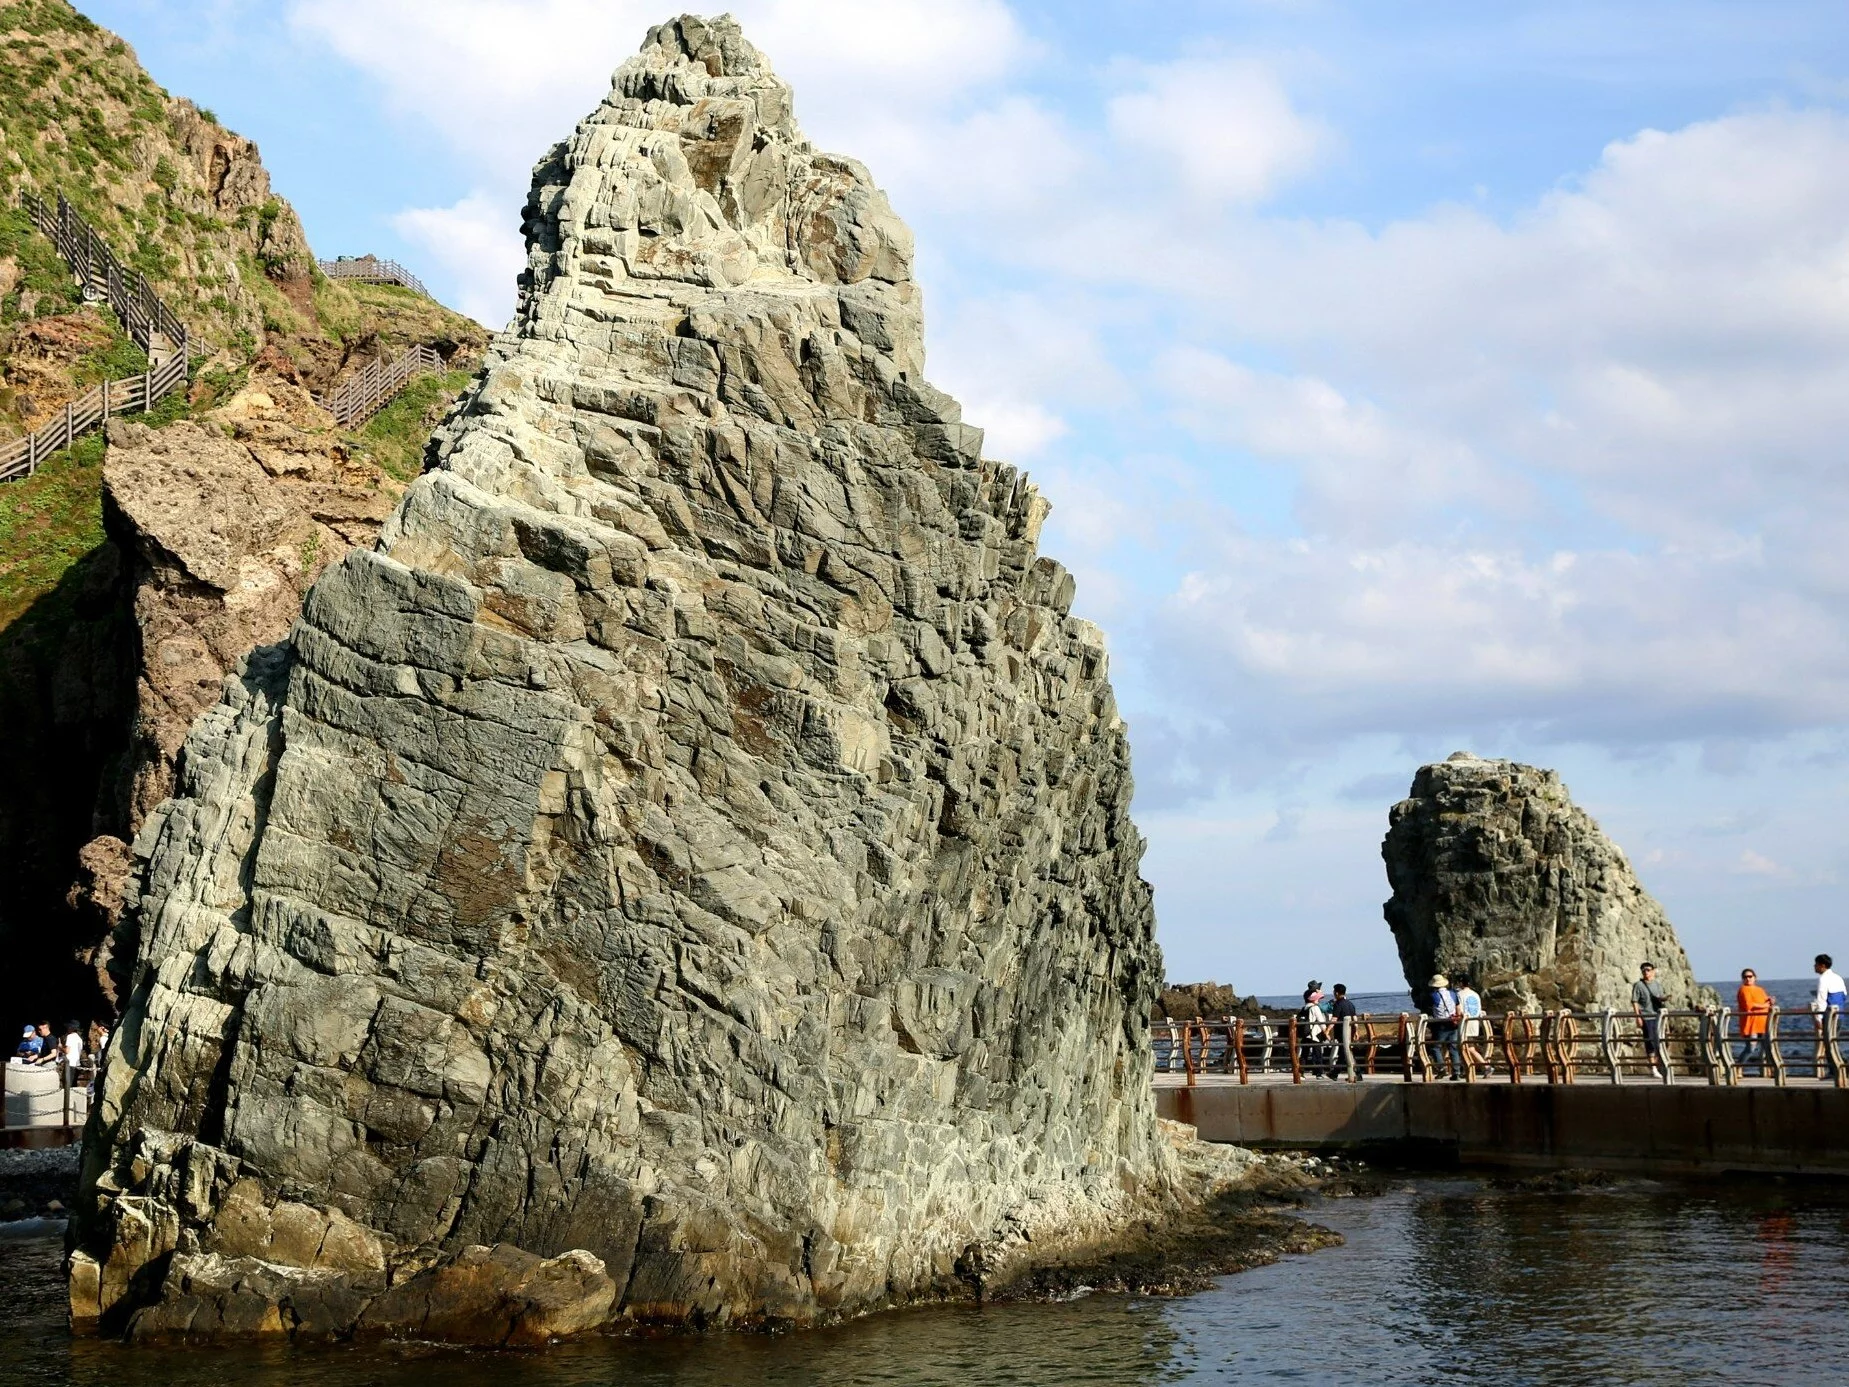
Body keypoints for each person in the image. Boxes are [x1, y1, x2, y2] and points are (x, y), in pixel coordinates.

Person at [1633, 962, 1668, 1078]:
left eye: (1648, 970)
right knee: (1650, 1042)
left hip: (1657, 1016)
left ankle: (1658, 1066)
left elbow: (1661, 999)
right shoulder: (1638, 985)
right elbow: (1635, 1002)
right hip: (1646, 1017)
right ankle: (1653, 1068)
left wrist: (1663, 999)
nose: (1645, 972)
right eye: (1643, 970)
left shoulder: (1657, 984)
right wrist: (1638, 1017)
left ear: (1653, 971)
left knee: (1659, 1042)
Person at [1735, 968, 1772, 1077]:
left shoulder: (1760, 990)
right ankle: (1738, 1068)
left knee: (1767, 1047)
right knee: (1751, 1047)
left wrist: (1770, 1001)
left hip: (1763, 1022)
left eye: (1750, 976)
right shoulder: (1743, 990)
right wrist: (1765, 1006)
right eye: (1745, 977)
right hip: (1751, 1024)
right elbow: (1749, 1005)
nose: (1748, 979)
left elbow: (1766, 1001)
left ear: (1755, 977)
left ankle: (1771, 1070)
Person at [1814, 954, 1847, 1077]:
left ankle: (1837, 1070)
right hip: (1840, 1014)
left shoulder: (1823, 979)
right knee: (1834, 1042)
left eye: (1816, 964)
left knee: (1829, 1044)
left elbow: (1821, 1000)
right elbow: (1844, 996)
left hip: (1829, 1016)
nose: (1814, 967)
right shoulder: (1838, 978)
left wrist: (1818, 1018)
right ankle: (1841, 1067)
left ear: (1822, 965)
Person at [1427, 974, 1461, 1079]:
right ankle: (1456, 1072)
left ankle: (1442, 1069)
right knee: (1453, 1047)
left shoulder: (1433, 996)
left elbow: (1429, 1008)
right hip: (1453, 1022)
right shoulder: (1453, 994)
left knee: (1435, 1047)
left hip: (1441, 1023)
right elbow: (1458, 1007)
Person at [1454, 974, 1488, 1074]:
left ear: (1460, 983)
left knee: (1467, 1048)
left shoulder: (1459, 995)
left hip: (1464, 1025)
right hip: (1474, 1023)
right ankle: (1469, 1070)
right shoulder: (1475, 994)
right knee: (1469, 1047)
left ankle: (1485, 1067)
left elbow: (1459, 1010)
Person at [1298, 981, 1332, 1077]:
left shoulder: (1305, 1007)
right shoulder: (1315, 1008)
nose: (1318, 999)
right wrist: (1326, 1033)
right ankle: (1319, 1073)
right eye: (1317, 998)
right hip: (1314, 1035)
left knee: (1304, 1054)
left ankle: (1300, 1073)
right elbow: (1321, 1022)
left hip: (1305, 1033)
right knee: (1318, 1054)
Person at [1327, 983, 1359, 1079]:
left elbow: (1334, 1019)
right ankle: (1357, 1074)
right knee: (1347, 1052)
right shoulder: (1350, 1004)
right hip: (1350, 1031)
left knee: (1344, 1052)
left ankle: (1335, 1073)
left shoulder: (1338, 1004)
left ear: (1336, 993)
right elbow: (1355, 1018)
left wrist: (1327, 1030)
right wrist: (1356, 1031)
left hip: (1342, 1032)